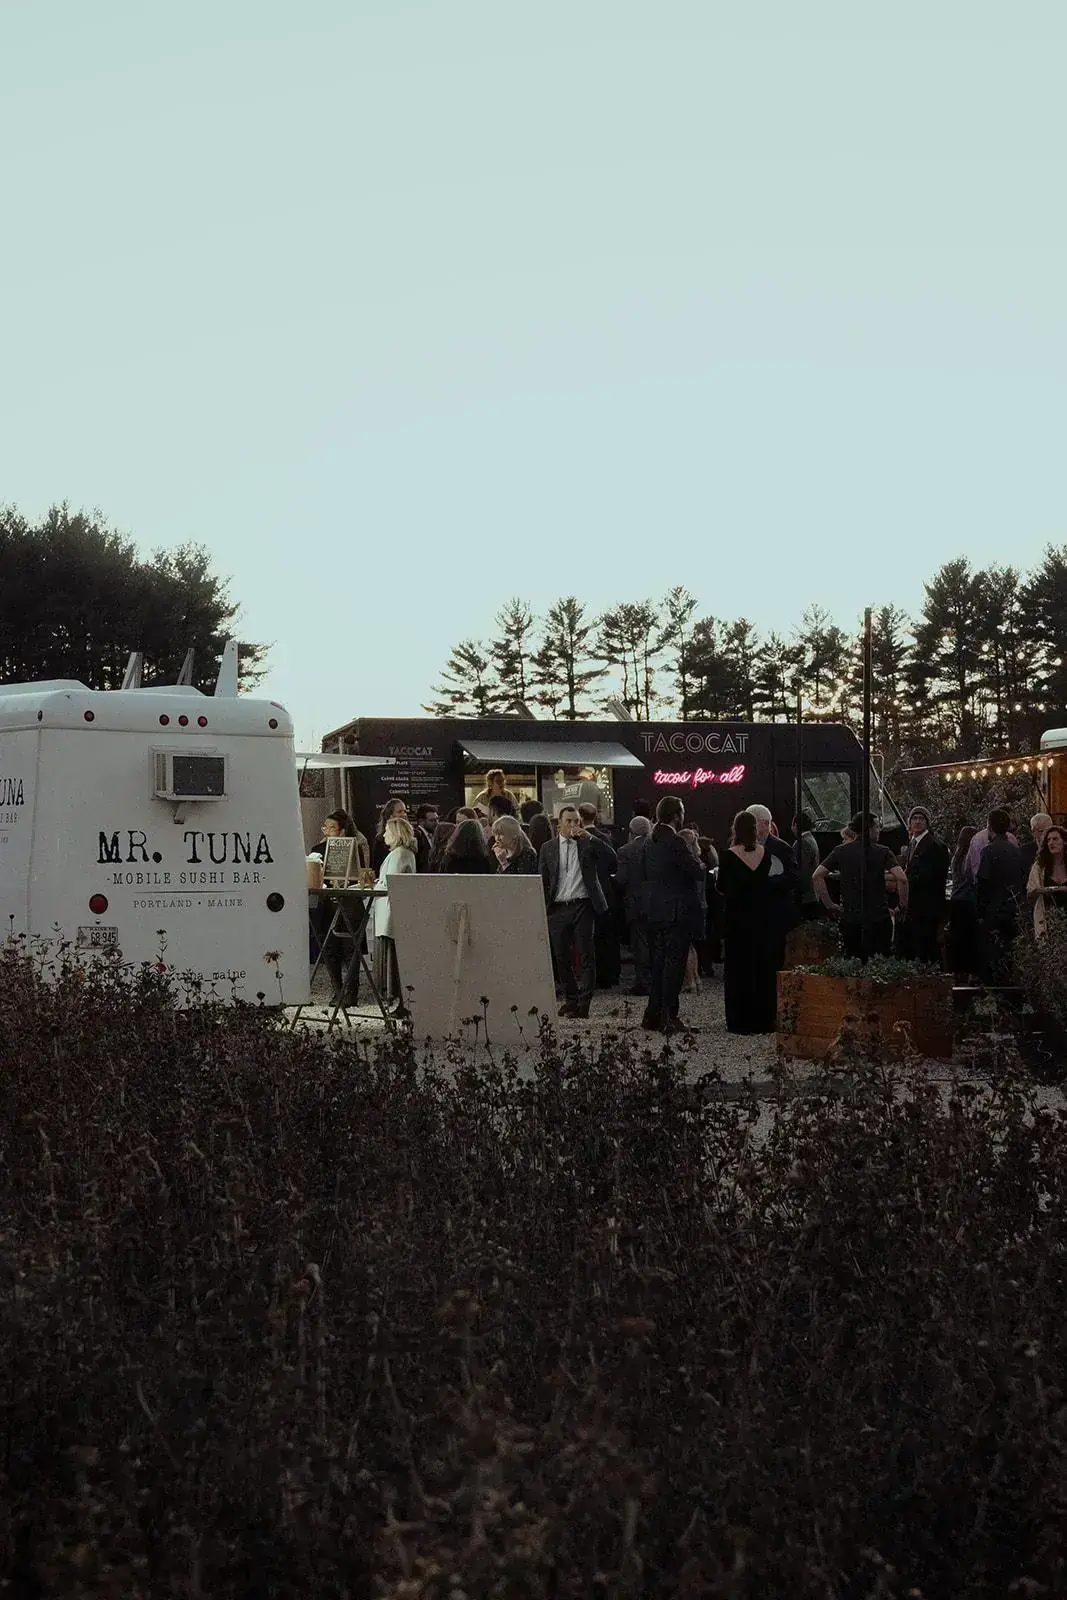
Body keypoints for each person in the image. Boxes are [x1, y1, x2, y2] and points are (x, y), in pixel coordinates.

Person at [640, 795, 704, 1036]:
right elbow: (696, 871)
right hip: (677, 911)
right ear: (677, 815)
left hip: (654, 910)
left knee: (657, 963)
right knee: (674, 965)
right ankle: (670, 1015)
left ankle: (652, 1013)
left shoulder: (650, 840)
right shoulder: (675, 841)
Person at [538, 804, 608, 1019]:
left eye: (576, 821)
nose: (572, 825)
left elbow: (611, 858)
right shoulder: (548, 848)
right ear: (559, 824)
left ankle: (584, 1005)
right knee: (561, 957)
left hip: (582, 904)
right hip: (558, 907)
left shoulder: (587, 844)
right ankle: (571, 999)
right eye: (568, 821)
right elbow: (543, 877)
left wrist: (591, 838)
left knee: (587, 954)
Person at [812, 812, 908, 960]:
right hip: (878, 919)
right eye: (877, 826)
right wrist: (901, 906)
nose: (879, 830)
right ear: (868, 828)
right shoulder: (883, 852)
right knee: (880, 964)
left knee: (853, 964)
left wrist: (830, 905)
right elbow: (902, 878)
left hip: (851, 918)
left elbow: (817, 875)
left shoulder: (840, 851)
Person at [718, 810, 779, 1034]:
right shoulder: (766, 854)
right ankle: (763, 1018)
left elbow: (721, 887)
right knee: (762, 966)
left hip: (736, 920)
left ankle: (740, 1019)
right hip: (761, 919)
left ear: (736, 830)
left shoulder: (728, 857)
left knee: (738, 969)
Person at [744, 804, 800, 970]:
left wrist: (767, 882)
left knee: (773, 957)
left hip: (775, 913)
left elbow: (794, 878)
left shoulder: (782, 849)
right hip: (753, 913)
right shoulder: (744, 847)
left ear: (765, 823)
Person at [371, 816, 417, 1013]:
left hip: (390, 913)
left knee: (391, 959)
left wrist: (373, 885)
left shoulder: (399, 855)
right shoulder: (406, 854)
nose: (384, 835)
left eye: (387, 832)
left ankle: (395, 1000)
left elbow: (391, 883)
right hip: (391, 911)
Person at [976, 808, 1026, 982]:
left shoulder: (989, 851)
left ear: (989, 827)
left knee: (993, 954)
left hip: (993, 911)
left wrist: (980, 912)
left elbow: (982, 882)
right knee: (1010, 953)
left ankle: (994, 992)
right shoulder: (1016, 850)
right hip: (1014, 909)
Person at [895, 806, 950, 965]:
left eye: (921, 819)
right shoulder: (912, 844)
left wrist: (900, 882)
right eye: (914, 818)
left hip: (927, 907)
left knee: (926, 947)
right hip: (915, 907)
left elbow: (929, 877)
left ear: (927, 823)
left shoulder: (935, 846)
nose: (917, 822)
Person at [578, 802, 620, 988]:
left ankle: (593, 975)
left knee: (590, 937)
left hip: (588, 892)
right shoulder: (605, 838)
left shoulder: (579, 839)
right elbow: (613, 864)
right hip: (606, 890)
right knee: (608, 936)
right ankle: (610, 974)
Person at [615, 815, 652, 996]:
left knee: (640, 946)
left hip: (635, 904)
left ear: (631, 832)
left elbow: (622, 879)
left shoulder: (624, 851)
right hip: (657, 903)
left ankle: (643, 983)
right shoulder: (657, 848)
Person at [946, 825, 980, 976]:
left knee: (956, 938)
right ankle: (968, 971)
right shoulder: (971, 856)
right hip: (968, 900)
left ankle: (956, 971)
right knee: (969, 939)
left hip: (955, 900)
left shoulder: (956, 857)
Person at [1027, 824, 1067, 939]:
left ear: (1064, 842)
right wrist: (1041, 890)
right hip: (1048, 920)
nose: (1051, 843)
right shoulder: (1039, 868)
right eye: (1048, 840)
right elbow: (1030, 894)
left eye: (1055, 839)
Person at [679, 828, 707, 993]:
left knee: (686, 945)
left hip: (689, 905)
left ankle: (689, 980)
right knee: (693, 945)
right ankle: (696, 978)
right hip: (701, 905)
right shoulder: (699, 862)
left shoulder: (688, 864)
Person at [792, 812, 822, 922]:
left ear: (795, 825)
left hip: (805, 895)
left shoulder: (802, 842)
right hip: (811, 893)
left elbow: (801, 870)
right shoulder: (810, 839)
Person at [371, 798, 407, 872]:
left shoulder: (415, 835)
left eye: (405, 811)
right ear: (390, 815)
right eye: (399, 812)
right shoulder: (381, 839)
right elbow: (376, 866)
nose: (404, 815)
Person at [1020, 813, 1054, 880]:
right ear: (1033, 832)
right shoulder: (1023, 852)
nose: (1047, 834)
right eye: (1042, 831)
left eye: (1049, 830)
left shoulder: (1058, 850)